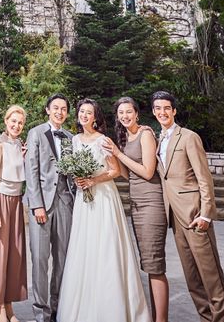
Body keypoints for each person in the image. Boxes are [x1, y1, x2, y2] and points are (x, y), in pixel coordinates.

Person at [57, 98, 150, 322]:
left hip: (104, 198)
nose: (84, 115)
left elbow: (115, 170)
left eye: (89, 112)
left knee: (106, 247)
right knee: (84, 248)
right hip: (84, 201)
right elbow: (71, 168)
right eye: (81, 111)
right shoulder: (75, 140)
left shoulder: (103, 140)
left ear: (96, 117)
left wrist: (93, 180)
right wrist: (79, 178)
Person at [152, 91, 224, 322]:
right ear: (154, 112)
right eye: (158, 108)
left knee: (211, 278)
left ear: (174, 111)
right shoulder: (159, 140)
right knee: (192, 279)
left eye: (167, 108)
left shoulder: (188, 137)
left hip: (195, 215)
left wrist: (206, 214)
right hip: (175, 218)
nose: (162, 112)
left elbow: (204, 178)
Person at [103, 97, 169, 322]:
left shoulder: (145, 134)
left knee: (155, 265)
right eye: (121, 113)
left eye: (129, 112)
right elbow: (127, 174)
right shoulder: (124, 137)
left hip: (152, 203)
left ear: (137, 113)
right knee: (149, 264)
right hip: (137, 205)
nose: (125, 116)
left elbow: (148, 172)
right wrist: (111, 157)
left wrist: (119, 154)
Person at [24, 93, 75, 322]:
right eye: (56, 108)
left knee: (62, 259)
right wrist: (37, 205)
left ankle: (57, 307)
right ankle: (40, 311)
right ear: (47, 109)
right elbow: (31, 171)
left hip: (65, 203)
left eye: (63, 109)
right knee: (40, 260)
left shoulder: (70, 137)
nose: (59, 112)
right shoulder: (35, 133)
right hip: (42, 205)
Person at [0, 105, 28, 322]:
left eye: (20, 122)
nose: (16, 125)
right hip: (1, 201)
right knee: (0, 256)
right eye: (13, 121)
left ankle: (9, 306)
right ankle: (0, 307)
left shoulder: (19, 144)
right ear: (6, 121)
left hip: (16, 203)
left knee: (14, 256)